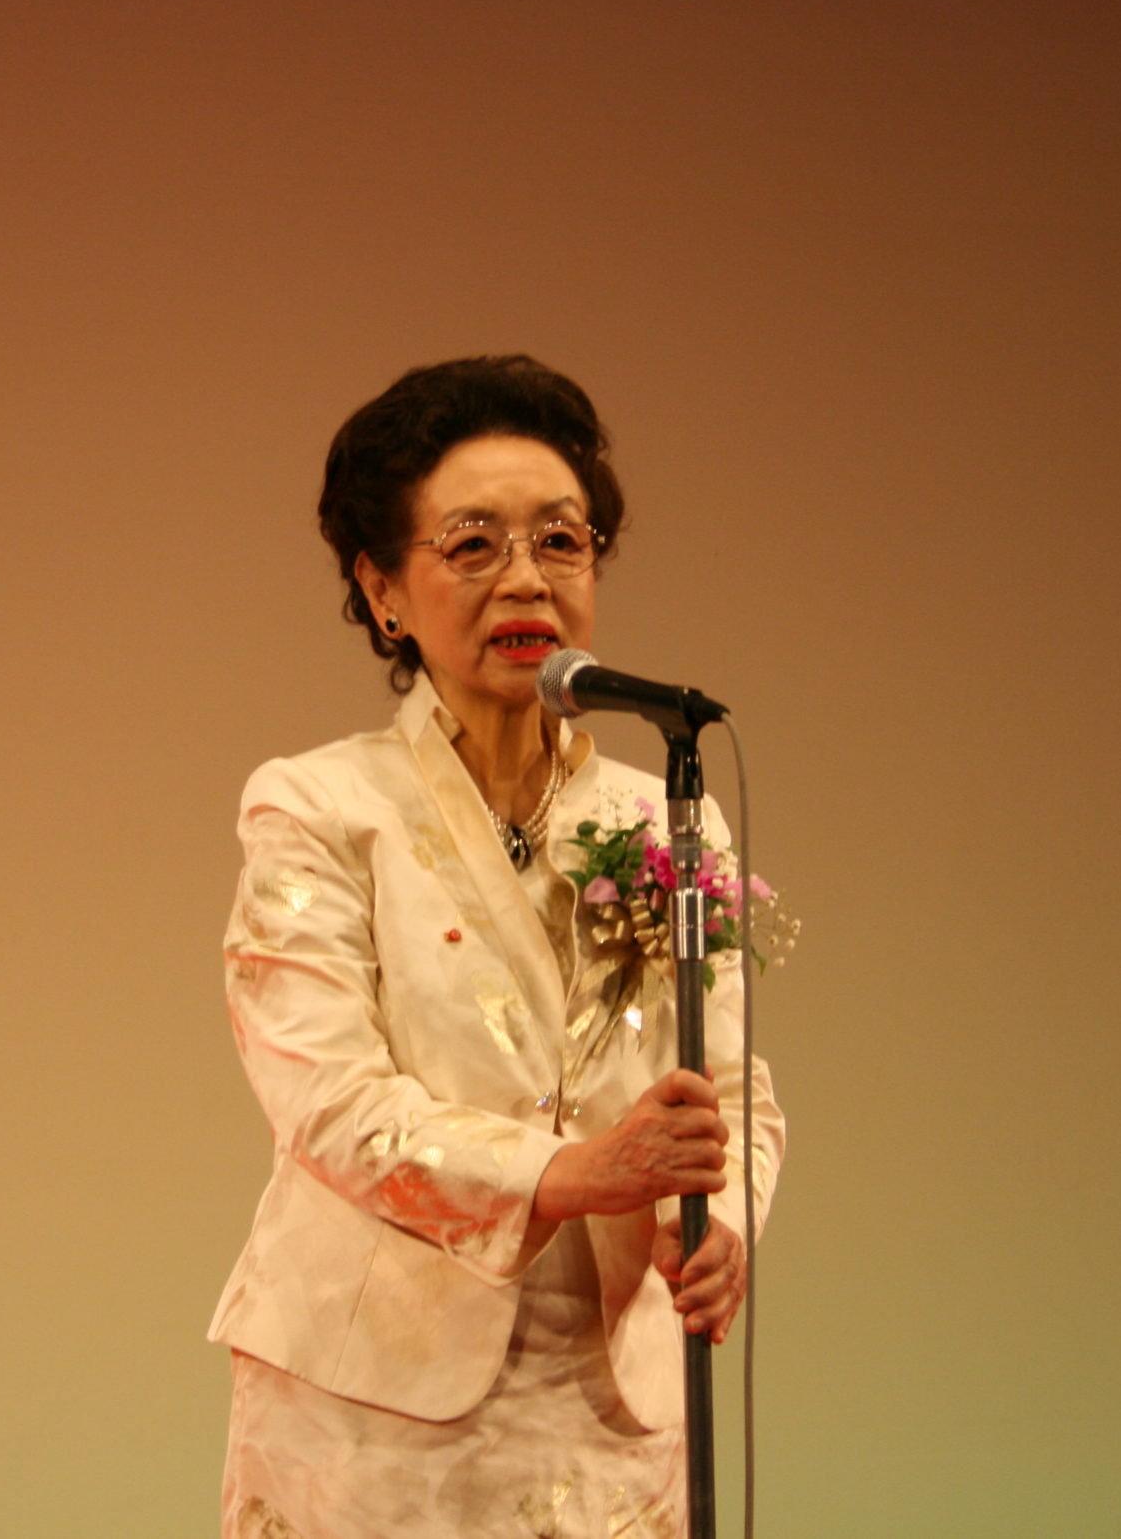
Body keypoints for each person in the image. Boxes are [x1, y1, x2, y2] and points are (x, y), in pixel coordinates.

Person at [209, 355, 787, 1539]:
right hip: (375, 1405)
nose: (526, 577)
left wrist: (722, 1221)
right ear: (382, 589)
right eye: (472, 545)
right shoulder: (316, 807)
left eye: (561, 541)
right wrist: (572, 1174)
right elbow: (328, 1103)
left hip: (612, 1403)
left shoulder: (663, 816)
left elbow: (731, 1090)